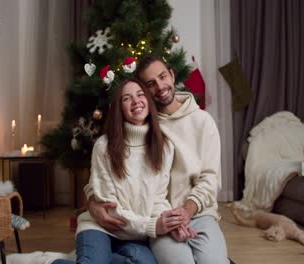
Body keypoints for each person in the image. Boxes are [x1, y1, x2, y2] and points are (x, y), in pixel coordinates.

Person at [88, 55, 229, 263]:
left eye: (163, 77)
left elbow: (210, 179)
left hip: (199, 214)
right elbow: (107, 167)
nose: (160, 87)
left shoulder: (203, 122)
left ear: (172, 75)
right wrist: (93, 202)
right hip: (160, 218)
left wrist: (187, 211)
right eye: (151, 84)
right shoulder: (143, 124)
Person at [54, 78, 195, 264]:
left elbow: (157, 199)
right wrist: (154, 226)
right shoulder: (103, 146)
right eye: (127, 98)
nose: (136, 101)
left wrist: (170, 223)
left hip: (136, 234)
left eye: (140, 95)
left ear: (149, 101)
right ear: (119, 108)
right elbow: (110, 212)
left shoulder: (164, 147)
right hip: (100, 227)